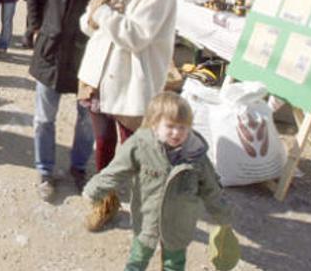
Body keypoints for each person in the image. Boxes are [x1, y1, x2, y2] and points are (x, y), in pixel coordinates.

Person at [78, 0, 177, 231]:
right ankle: (106, 204)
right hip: (98, 78)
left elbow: (136, 37)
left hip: (129, 85)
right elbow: (87, 23)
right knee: (103, 145)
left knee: (137, 153)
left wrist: (106, 14)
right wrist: (101, 12)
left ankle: (150, 209)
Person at [83, 92, 233, 271]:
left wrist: (222, 215)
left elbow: (211, 188)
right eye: (170, 126)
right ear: (154, 125)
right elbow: (115, 171)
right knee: (137, 259)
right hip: (147, 218)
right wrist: (94, 189)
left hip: (179, 222)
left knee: (174, 263)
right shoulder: (140, 145)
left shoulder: (196, 155)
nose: (177, 132)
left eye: (183, 127)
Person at [27, 0, 105, 201]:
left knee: (86, 119)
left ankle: (78, 169)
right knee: (44, 118)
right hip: (51, 50)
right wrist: (35, 26)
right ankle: (45, 171)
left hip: (89, 57)